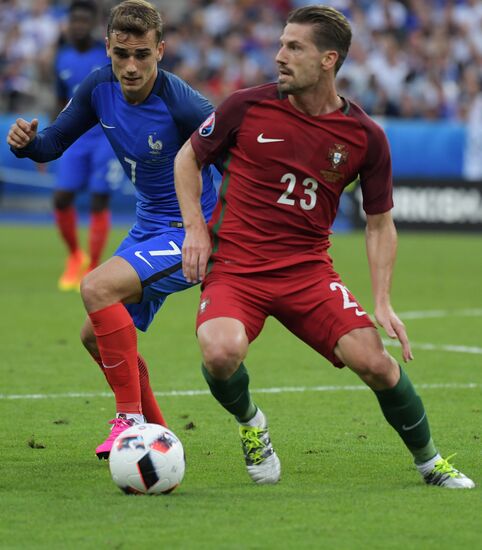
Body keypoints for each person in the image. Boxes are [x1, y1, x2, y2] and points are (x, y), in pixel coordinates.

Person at [174, 5, 475, 489]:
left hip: (307, 272)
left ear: (329, 59)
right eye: (280, 44)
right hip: (236, 267)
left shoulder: (365, 137)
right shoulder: (244, 107)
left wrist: (382, 301)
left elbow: (379, 225)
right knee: (220, 351)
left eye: (294, 47)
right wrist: (195, 228)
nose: (279, 56)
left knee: (376, 363)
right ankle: (252, 424)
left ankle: (430, 461)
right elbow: (188, 157)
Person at [7, 0, 217, 459]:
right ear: (108, 48)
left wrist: (214, 231)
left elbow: (239, 161)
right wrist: (27, 145)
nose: (131, 65)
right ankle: (162, 439)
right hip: (148, 227)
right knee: (92, 336)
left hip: (191, 232)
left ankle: (130, 421)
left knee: (96, 288)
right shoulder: (97, 86)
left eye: (142, 54)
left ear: (160, 51)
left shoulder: (183, 103)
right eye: (121, 54)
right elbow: (53, 144)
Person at [53, 0, 119, 291]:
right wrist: (47, 140)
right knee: (61, 198)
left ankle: (92, 265)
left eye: (83, 21)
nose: (78, 26)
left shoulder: (107, 56)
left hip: (105, 136)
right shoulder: (62, 57)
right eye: (74, 21)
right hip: (74, 138)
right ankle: (74, 256)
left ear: (93, 24)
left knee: (97, 199)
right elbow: (59, 101)